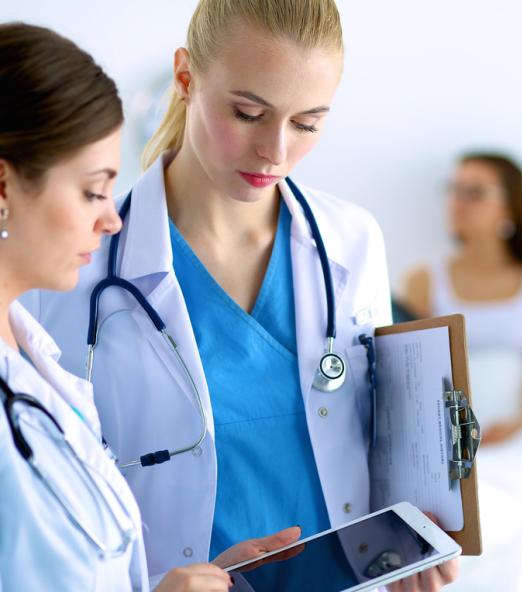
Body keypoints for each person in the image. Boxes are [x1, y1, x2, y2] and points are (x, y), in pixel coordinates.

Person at [21, 2, 456, 590]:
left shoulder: (352, 241)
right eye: (249, 113)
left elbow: (385, 439)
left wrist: (417, 530)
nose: (275, 150)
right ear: (185, 78)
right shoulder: (74, 270)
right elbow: (52, 516)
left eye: (307, 123)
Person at [0, 21, 305, 592]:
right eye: (93, 191)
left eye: (309, 122)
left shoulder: (33, 359)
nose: (112, 218)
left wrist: (180, 581)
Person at [402, 153, 522, 443]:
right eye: (454, 189)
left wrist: (520, 428)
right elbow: (411, 377)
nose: (458, 202)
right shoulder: (423, 282)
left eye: (475, 193)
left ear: (509, 208)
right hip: (447, 438)